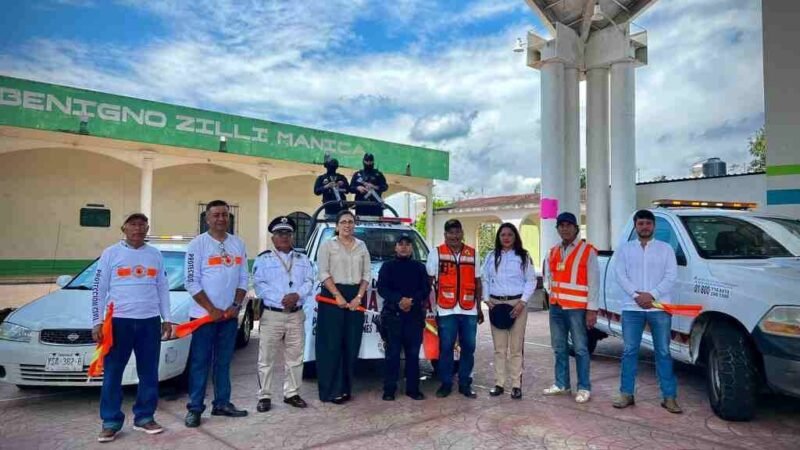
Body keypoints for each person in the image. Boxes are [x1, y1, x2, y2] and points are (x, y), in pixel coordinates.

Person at [91, 213, 174, 443]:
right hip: (119, 322)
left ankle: (145, 417)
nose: (138, 228)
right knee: (113, 373)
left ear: (147, 228)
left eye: (142, 225)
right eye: (133, 224)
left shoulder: (155, 255)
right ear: (124, 228)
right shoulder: (111, 254)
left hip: (149, 322)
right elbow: (99, 288)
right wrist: (97, 321)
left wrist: (166, 318)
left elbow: (163, 288)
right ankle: (110, 421)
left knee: (148, 373)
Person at [184, 200, 249, 428]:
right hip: (204, 317)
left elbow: (243, 279)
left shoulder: (238, 244)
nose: (221, 219)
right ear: (207, 219)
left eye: (224, 214)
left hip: (229, 317)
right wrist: (211, 309)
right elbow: (191, 282)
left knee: (223, 362)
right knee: (200, 362)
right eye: (216, 215)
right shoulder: (197, 245)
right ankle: (194, 408)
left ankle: (222, 403)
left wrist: (236, 305)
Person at [612, 209, 681, 413]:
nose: (644, 227)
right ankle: (626, 394)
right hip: (632, 308)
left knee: (663, 352)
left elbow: (671, 276)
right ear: (635, 226)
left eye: (648, 223)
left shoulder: (665, 249)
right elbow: (620, 275)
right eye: (640, 223)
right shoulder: (625, 249)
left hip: (659, 307)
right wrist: (636, 296)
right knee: (629, 351)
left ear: (654, 226)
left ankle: (669, 397)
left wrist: (651, 295)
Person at [252, 216, 314, 413]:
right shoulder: (263, 259)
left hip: (296, 314)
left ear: (292, 236)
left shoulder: (303, 259)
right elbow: (259, 285)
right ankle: (264, 396)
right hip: (272, 314)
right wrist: (283, 298)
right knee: (266, 357)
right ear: (273, 238)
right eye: (280, 233)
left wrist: (297, 295)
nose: (284, 236)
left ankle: (292, 393)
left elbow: (310, 282)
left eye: (287, 233)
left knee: (295, 357)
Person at [541, 212, 600, 404]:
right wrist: (550, 293)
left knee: (581, 348)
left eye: (568, 225)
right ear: (557, 228)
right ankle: (562, 384)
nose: (565, 229)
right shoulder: (553, 251)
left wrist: (592, 309)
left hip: (577, 308)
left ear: (576, 228)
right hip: (557, 307)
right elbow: (548, 276)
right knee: (559, 347)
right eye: (561, 225)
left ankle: (584, 387)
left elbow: (594, 283)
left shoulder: (587, 251)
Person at [315, 209, 371, 403]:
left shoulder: (362, 246)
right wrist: (337, 295)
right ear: (337, 225)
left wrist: (359, 297)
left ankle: (346, 388)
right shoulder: (327, 245)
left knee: (351, 343)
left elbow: (366, 275)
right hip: (332, 297)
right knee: (332, 345)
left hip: (355, 298)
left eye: (351, 222)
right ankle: (331, 391)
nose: (347, 225)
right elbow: (323, 273)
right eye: (344, 222)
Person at [426, 219, 483, 399]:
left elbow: (478, 282)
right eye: (450, 233)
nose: (454, 236)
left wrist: (479, 307)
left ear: (462, 234)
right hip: (445, 309)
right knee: (446, 348)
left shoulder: (473, 254)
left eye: (457, 232)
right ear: (445, 235)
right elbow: (429, 282)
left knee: (469, 347)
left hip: (469, 309)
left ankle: (465, 383)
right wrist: (430, 307)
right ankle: (446, 383)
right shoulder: (436, 253)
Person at [481, 223, 535, 400]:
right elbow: (485, 279)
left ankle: (516, 385)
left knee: (516, 347)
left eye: (509, 235)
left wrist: (522, 303)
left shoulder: (523, 256)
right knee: (499, 348)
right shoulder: (490, 256)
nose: (506, 238)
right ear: (498, 237)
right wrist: (487, 300)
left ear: (515, 237)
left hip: (517, 304)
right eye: (502, 234)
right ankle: (499, 383)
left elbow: (531, 281)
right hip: (496, 305)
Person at [377, 233, 431, 401]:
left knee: (413, 355)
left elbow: (425, 289)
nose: (404, 247)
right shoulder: (387, 266)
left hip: (414, 317)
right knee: (392, 355)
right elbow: (382, 288)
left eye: (408, 244)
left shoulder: (420, 268)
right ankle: (389, 389)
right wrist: (399, 300)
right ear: (396, 247)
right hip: (393, 316)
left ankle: (413, 389)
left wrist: (411, 301)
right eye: (401, 244)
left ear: (411, 248)